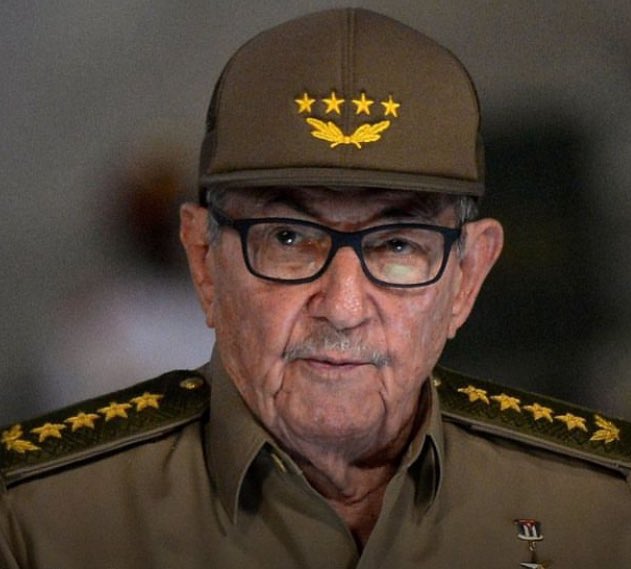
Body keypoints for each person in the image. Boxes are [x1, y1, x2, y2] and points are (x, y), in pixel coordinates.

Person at [1, 8, 629, 568]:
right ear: (203, 261)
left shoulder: (600, 509)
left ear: (467, 277)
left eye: (398, 245)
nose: (344, 308)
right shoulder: (35, 522)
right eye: (289, 238)